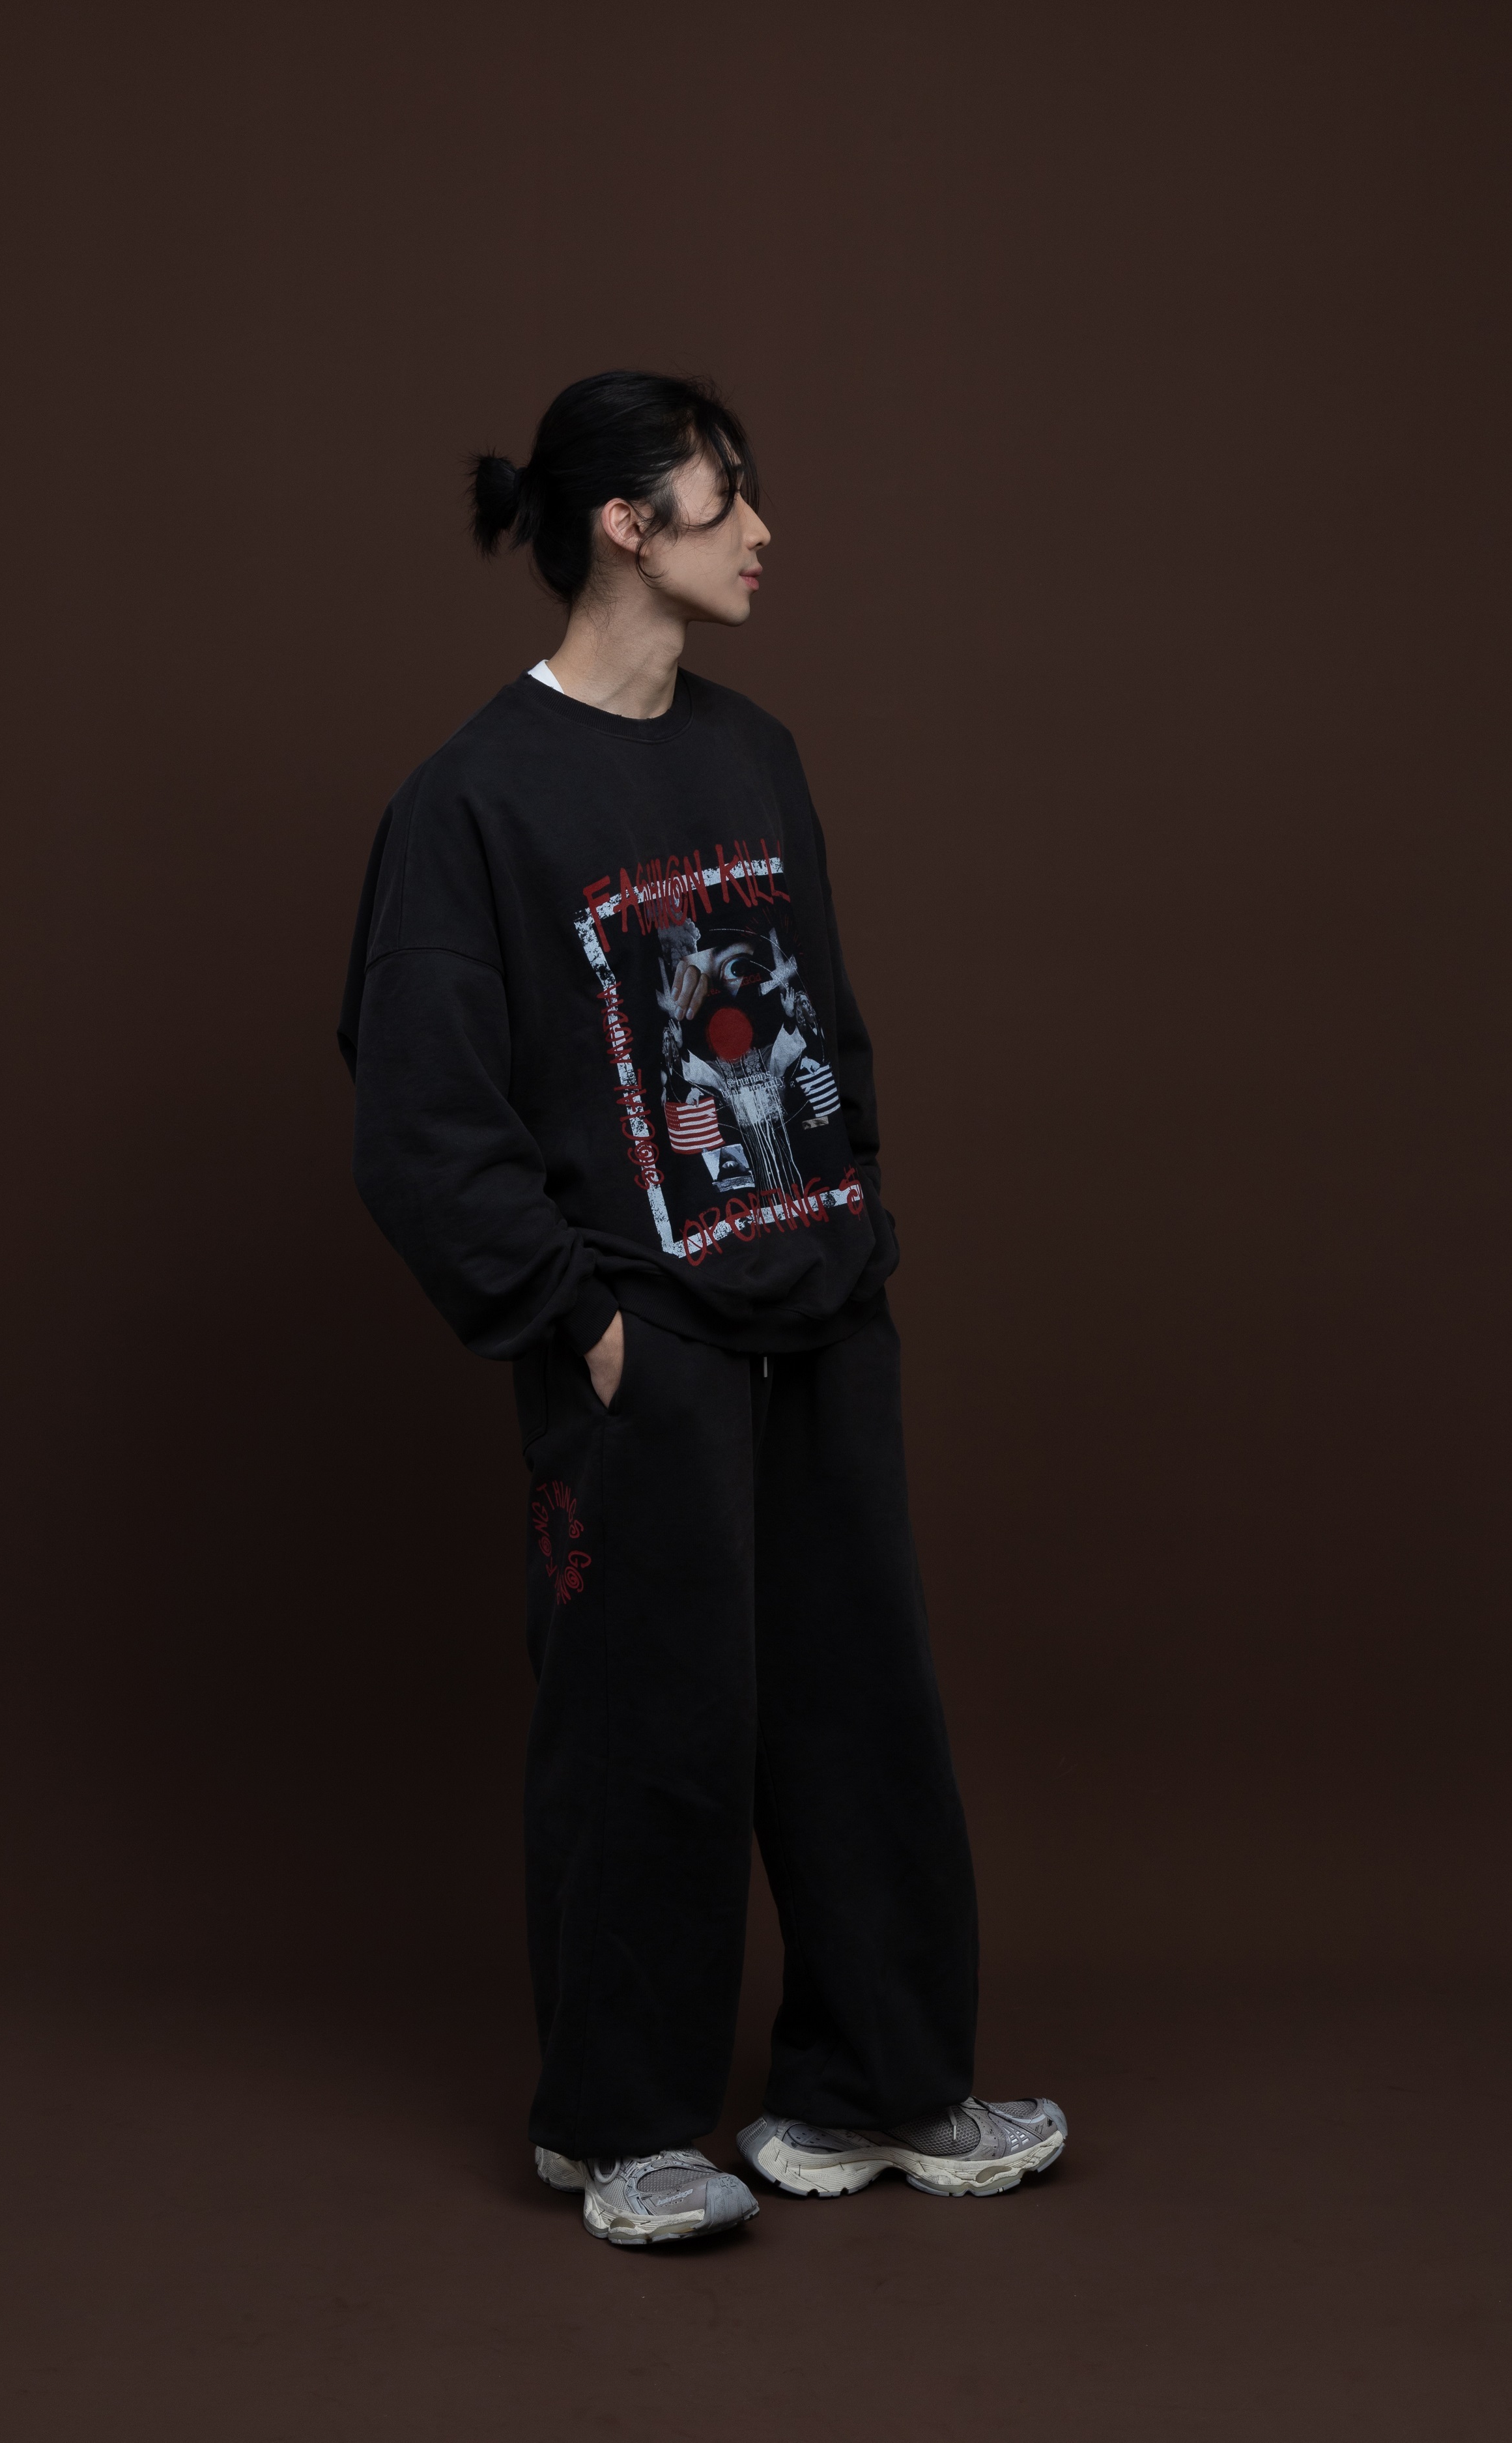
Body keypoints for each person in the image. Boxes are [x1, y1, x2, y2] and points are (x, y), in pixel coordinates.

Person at [338, 371, 1066, 2248]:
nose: (761, 531)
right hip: (640, 1342)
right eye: (723, 495)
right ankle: (624, 2123)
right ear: (624, 525)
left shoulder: (756, 754)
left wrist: (856, 1221)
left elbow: (821, 1017)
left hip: (821, 1312)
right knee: (643, 1728)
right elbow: (421, 1119)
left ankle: (875, 2090)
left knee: (862, 1712)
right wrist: (576, 1320)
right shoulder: (472, 801)